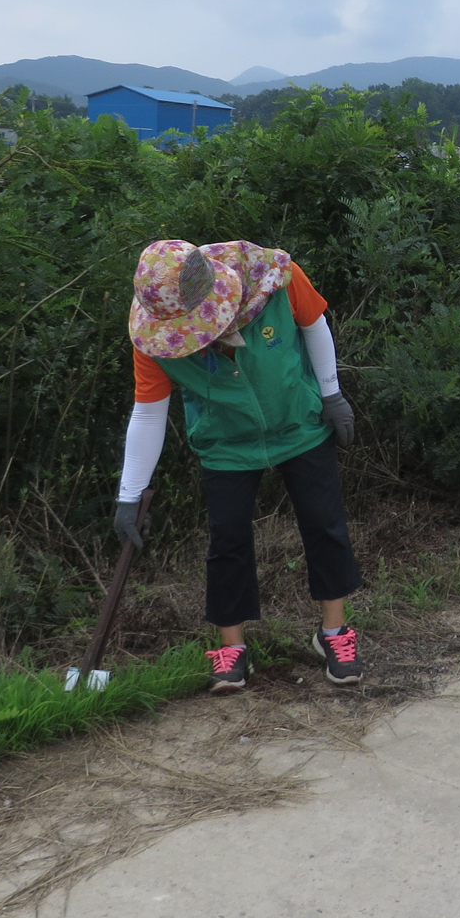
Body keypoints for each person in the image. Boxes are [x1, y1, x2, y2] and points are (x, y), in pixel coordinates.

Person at [116, 240, 364, 695]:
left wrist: (331, 394)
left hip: (298, 422)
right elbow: (149, 414)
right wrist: (129, 495)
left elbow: (314, 325)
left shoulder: (277, 277)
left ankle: (334, 632)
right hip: (225, 441)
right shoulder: (153, 339)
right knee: (227, 540)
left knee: (324, 524)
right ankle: (231, 648)